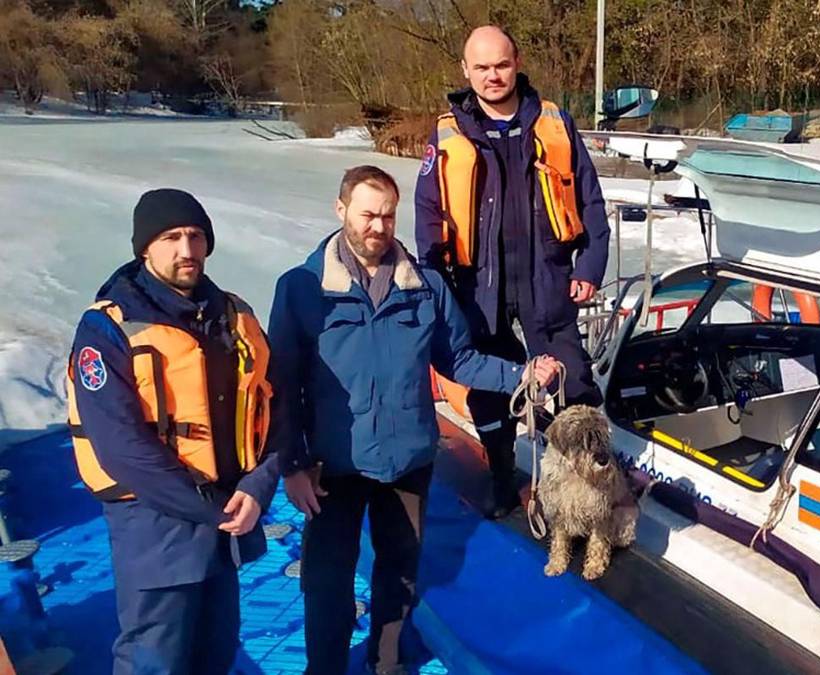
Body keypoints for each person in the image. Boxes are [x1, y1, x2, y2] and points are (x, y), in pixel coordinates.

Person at [268, 165, 559, 674]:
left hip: (407, 460)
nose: (378, 227)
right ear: (341, 210)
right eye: (367, 215)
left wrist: (523, 374)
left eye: (387, 215)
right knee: (327, 580)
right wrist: (291, 464)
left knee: (399, 574)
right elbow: (283, 384)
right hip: (331, 465)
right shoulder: (301, 288)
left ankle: (386, 664)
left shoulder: (424, 287)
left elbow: (459, 359)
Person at [65, 188, 278, 674]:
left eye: (196, 236)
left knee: (216, 651)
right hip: (155, 528)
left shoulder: (234, 317)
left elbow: (274, 407)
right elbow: (122, 448)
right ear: (145, 248)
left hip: (227, 518)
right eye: (171, 237)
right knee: (154, 659)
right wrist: (212, 508)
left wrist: (258, 486)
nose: (187, 249)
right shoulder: (109, 330)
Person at [415, 25, 611, 519]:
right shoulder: (449, 134)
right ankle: (502, 479)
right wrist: (436, 284)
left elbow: (591, 201)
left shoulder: (554, 123)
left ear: (517, 63)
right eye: (481, 67)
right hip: (479, 288)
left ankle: (582, 490)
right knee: (490, 390)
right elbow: (428, 213)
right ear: (465, 70)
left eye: (501, 65)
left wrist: (590, 265)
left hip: (548, 281)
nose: (492, 76)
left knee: (575, 385)